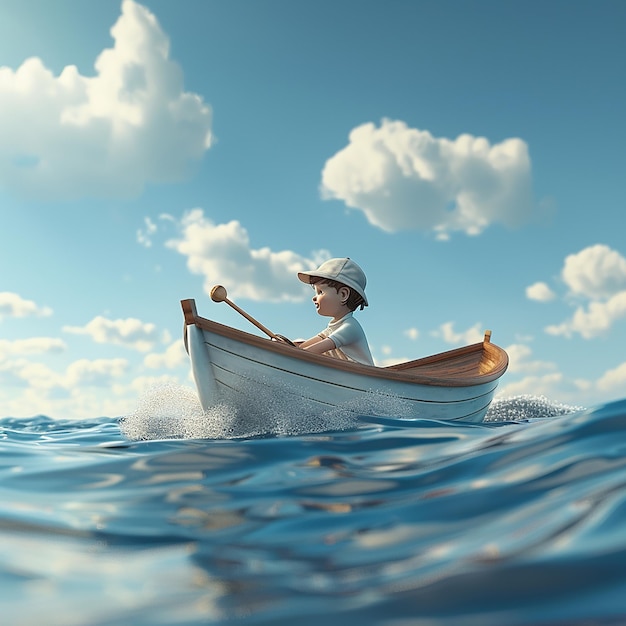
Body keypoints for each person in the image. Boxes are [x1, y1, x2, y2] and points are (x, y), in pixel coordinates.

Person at [296, 257, 374, 366]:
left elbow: (311, 350)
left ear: (343, 295)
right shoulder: (334, 326)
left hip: (363, 378)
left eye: (320, 292)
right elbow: (303, 347)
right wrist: (288, 344)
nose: (314, 298)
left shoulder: (350, 327)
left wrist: (288, 352)